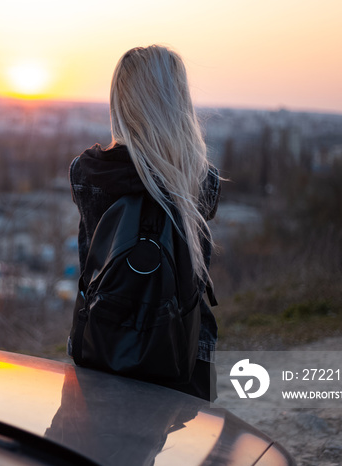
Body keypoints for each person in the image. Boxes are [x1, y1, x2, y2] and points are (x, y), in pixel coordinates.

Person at [68, 44, 220, 401]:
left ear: (120, 102)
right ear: (178, 102)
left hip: (102, 342)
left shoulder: (87, 173)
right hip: (181, 348)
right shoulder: (201, 180)